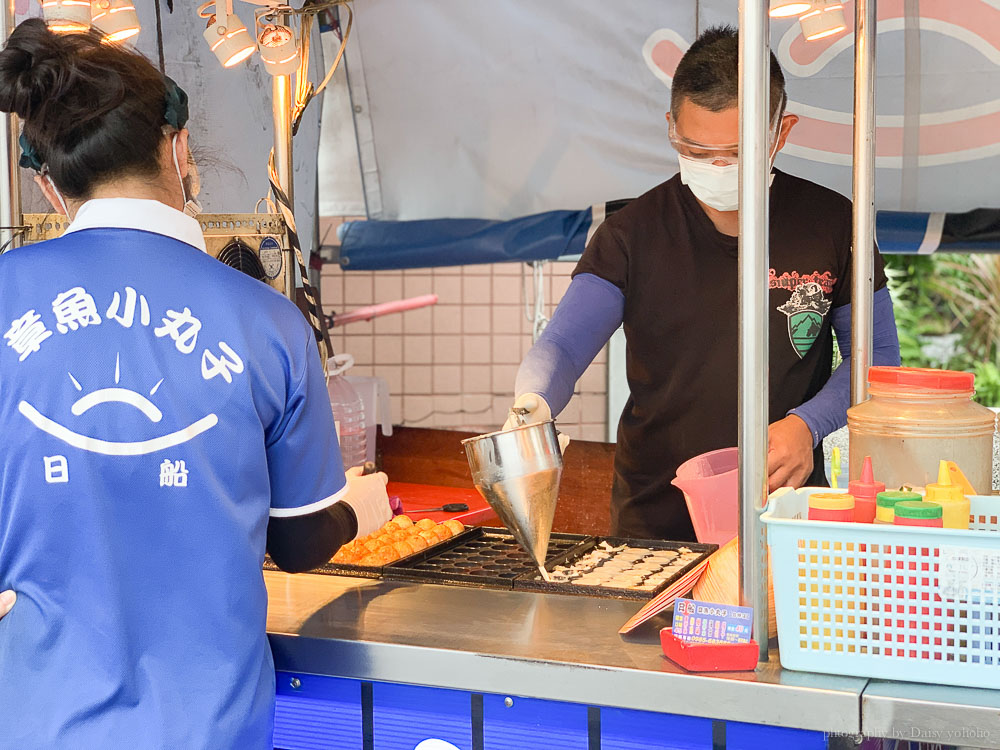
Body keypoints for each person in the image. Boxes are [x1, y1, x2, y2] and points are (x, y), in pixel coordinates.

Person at [0, 19, 391, 748]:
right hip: (211, 727)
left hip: (34, 721)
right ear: (177, 146)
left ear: (46, 183)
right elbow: (301, 541)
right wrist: (363, 509)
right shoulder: (267, 321)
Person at [505, 26, 901, 541]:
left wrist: (809, 425)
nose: (718, 167)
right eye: (696, 149)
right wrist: (532, 404)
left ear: (781, 133)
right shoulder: (630, 234)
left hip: (786, 504)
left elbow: (877, 358)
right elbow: (563, 343)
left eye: (738, 152)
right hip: (656, 515)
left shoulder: (832, 224)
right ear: (671, 128)